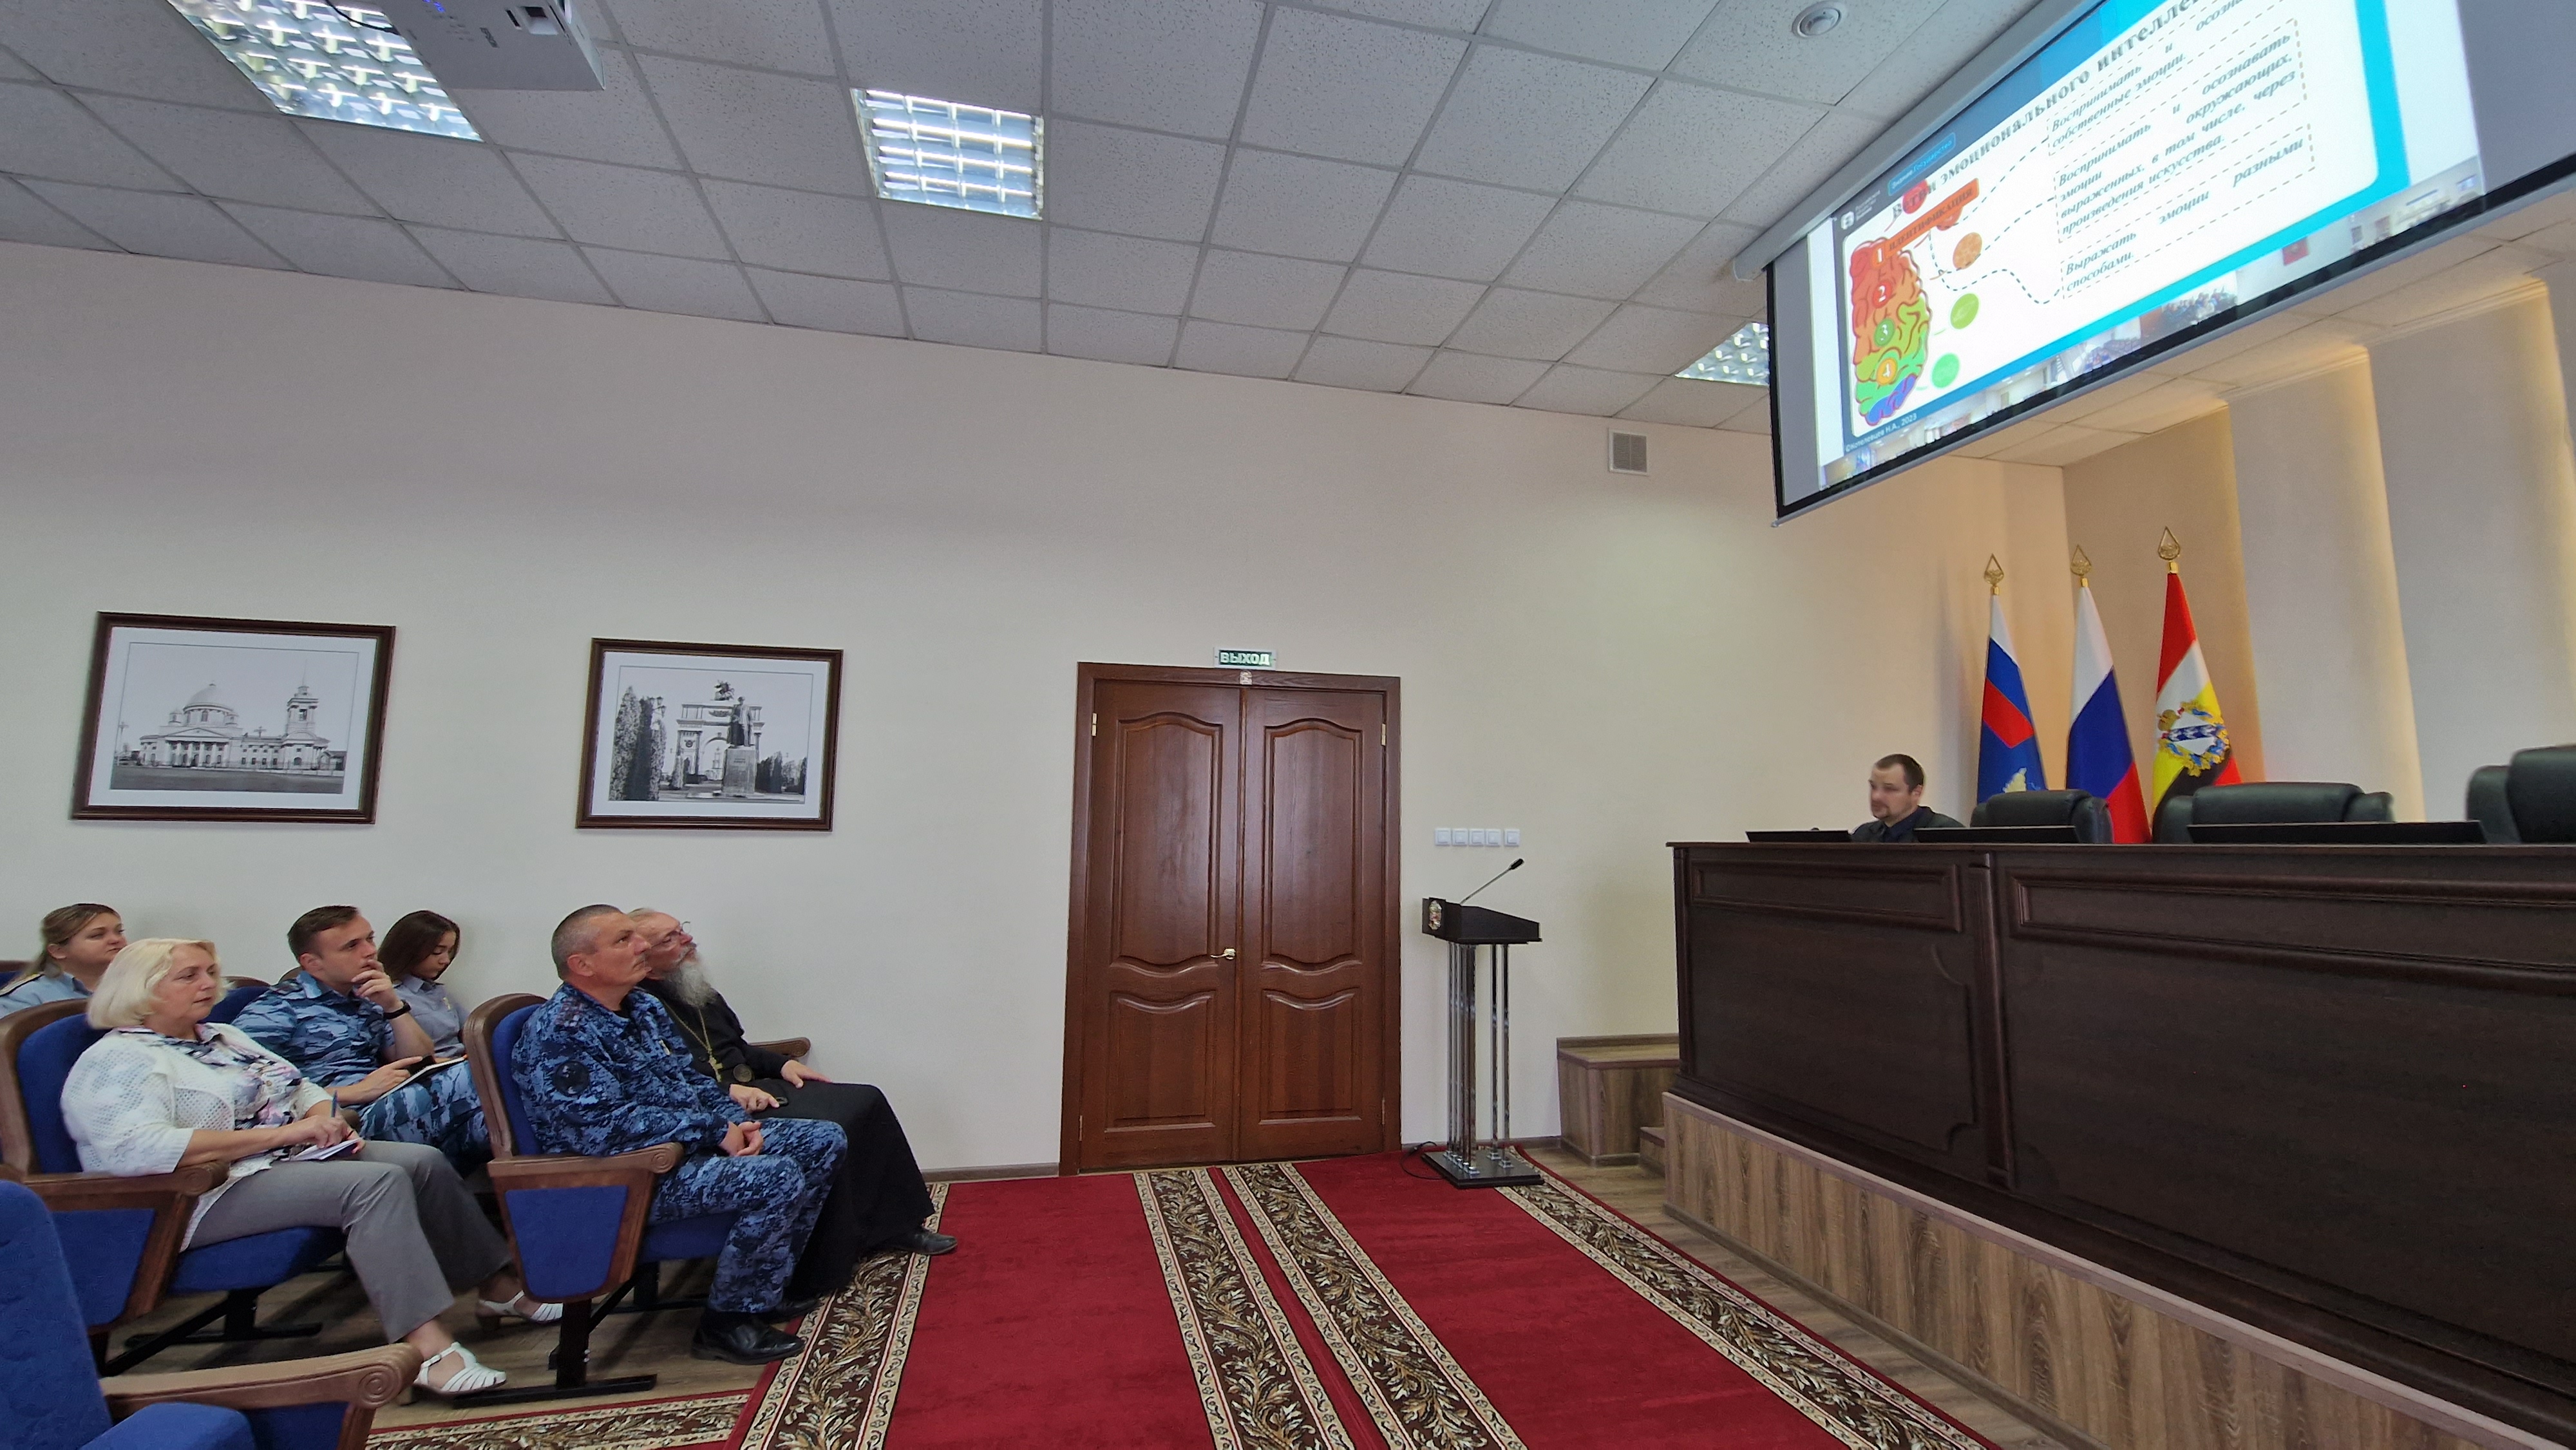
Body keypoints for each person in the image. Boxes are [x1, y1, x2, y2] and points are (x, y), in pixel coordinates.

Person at [61, 937, 558, 1397]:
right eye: (188, 976)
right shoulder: (119, 1059)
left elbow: (300, 1086)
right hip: (195, 1196)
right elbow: (136, 1149)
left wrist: (323, 1119)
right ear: (141, 989)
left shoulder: (220, 1036)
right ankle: (426, 1347)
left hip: (272, 1162)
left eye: (210, 972)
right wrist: (283, 1135)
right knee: (373, 1184)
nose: (208, 984)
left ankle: (497, 1287)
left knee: (421, 1162)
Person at [513, 905, 845, 1366]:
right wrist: (714, 1130)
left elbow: (689, 1080)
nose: (641, 946)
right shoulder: (562, 1031)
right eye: (624, 940)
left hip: (680, 1150)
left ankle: (764, 1288)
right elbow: (601, 1129)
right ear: (582, 964)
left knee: (823, 1140)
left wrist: (735, 1124)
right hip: (620, 1177)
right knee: (776, 1177)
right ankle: (725, 1324)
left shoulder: (642, 1006)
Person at [632, 910, 951, 1297]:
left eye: (681, 930)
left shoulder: (694, 988)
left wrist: (782, 1064)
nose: (687, 940)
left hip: (755, 1087)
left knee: (865, 1100)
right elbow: (670, 1079)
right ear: (645, 960)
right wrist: (727, 1091)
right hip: (721, 1106)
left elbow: (736, 1048)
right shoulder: (640, 1008)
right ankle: (825, 1257)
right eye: (670, 939)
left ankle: (895, 1227)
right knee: (832, 1128)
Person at [234, 907, 488, 1174]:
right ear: (313, 963)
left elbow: (419, 1060)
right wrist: (355, 1091)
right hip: (344, 1121)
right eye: (352, 946)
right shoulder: (277, 1008)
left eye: (369, 939)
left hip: (390, 1101)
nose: (370, 951)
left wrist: (393, 1006)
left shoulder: (366, 997)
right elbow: (243, 1095)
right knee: (482, 1074)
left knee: (492, 1122)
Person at [1, 904, 127, 1017]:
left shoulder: (133, 982)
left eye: (119, 932)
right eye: (97, 936)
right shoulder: (27, 996)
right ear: (58, 951)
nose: (116, 940)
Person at [381, 911, 466, 1056]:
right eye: (437, 952)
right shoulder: (389, 996)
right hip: (437, 1065)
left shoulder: (437, 991)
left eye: (449, 952)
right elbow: (405, 1060)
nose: (446, 960)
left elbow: (473, 1028)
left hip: (463, 1060)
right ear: (409, 951)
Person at [1852, 753, 1964, 842]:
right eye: (1873, 787)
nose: (1876, 797)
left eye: (1889, 789)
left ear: (1916, 793)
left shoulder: (1948, 834)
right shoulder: (1863, 836)